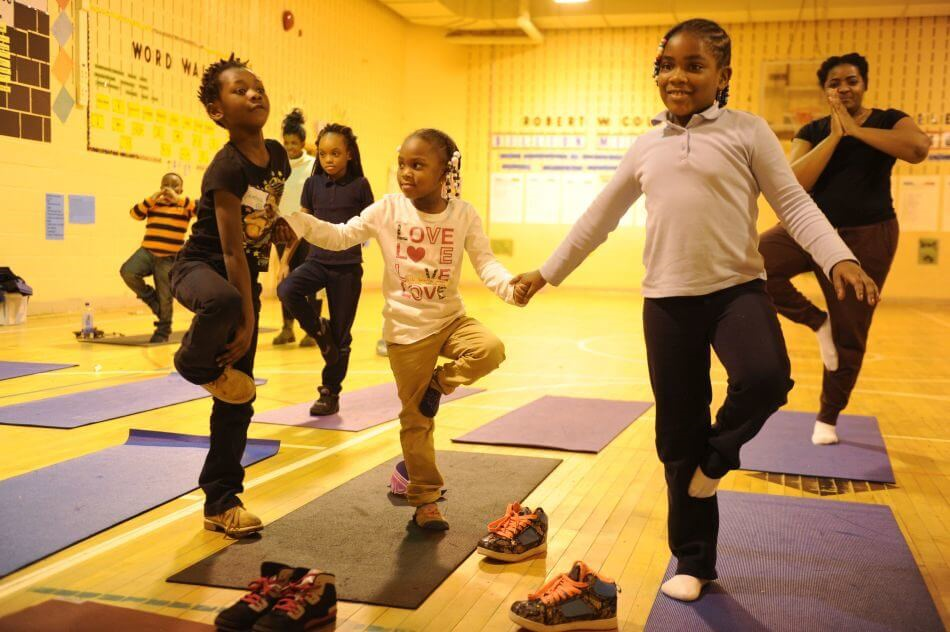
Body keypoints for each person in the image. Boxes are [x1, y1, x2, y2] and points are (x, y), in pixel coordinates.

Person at [511, 19, 879, 602]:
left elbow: (795, 205)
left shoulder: (747, 132)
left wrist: (839, 259)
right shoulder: (646, 145)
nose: (677, 77)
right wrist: (545, 272)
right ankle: (694, 559)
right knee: (677, 433)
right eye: (668, 66)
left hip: (737, 291)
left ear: (722, 75)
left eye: (694, 66)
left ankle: (719, 455)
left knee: (765, 378)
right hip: (666, 302)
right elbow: (596, 221)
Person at [278, 129, 517, 530]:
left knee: (490, 348)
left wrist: (511, 288)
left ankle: (437, 388)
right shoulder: (387, 209)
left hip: (451, 320)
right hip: (407, 333)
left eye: (418, 165)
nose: (406, 173)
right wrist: (296, 221)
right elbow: (341, 237)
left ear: (445, 172)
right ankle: (424, 498)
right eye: (402, 165)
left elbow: (486, 263)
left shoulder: (463, 214)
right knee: (416, 420)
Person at [759, 52, 931, 445]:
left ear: (863, 83)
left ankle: (828, 416)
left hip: (869, 236)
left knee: (851, 330)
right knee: (753, 261)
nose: (843, 88)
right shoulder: (814, 128)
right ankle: (818, 322)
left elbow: (917, 148)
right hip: (811, 229)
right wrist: (837, 136)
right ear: (825, 91)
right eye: (835, 83)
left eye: (851, 80)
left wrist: (855, 129)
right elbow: (795, 182)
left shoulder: (889, 119)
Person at [172, 54, 291, 537]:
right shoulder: (225, 167)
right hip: (201, 270)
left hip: (241, 283)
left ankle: (221, 500)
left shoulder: (278, 155)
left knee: (238, 399)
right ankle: (194, 365)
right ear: (217, 111)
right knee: (224, 302)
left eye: (257, 85)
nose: (254, 94)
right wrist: (246, 317)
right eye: (239, 90)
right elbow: (231, 249)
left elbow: (269, 217)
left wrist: (289, 242)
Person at [277, 123, 373, 415]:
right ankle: (319, 330)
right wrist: (283, 261)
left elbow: (373, 224)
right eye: (323, 154)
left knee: (342, 338)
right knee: (287, 290)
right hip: (316, 262)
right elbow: (302, 224)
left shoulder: (360, 186)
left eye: (335, 153)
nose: (328, 159)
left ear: (349, 155)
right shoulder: (312, 184)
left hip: (347, 269)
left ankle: (330, 392)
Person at [121, 172, 195, 343]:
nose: (169, 189)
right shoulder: (154, 204)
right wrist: (151, 198)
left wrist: (178, 199)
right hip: (147, 251)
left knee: (165, 296)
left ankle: (162, 332)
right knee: (128, 272)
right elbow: (134, 214)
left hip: (169, 257)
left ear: (181, 189)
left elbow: (201, 209)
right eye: (165, 185)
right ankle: (150, 298)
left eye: (173, 185)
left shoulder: (185, 206)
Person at [272, 108, 318, 347]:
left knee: (309, 280)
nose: (290, 147)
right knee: (285, 278)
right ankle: (287, 327)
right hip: (283, 229)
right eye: (286, 142)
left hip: (308, 231)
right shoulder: (278, 164)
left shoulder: (312, 165)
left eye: (294, 143)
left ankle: (312, 329)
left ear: (302, 142)